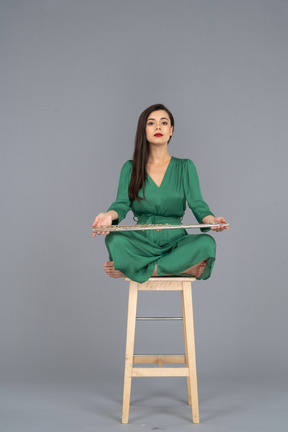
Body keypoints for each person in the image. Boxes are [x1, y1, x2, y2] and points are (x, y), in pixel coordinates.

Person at [92, 103, 228, 283]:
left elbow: (199, 206)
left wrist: (213, 221)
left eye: (164, 123)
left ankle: (133, 269)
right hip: (141, 242)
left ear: (171, 130)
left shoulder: (185, 167)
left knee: (207, 243)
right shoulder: (130, 168)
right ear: (144, 130)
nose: (158, 127)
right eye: (151, 123)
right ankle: (182, 268)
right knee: (114, 239)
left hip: (175, 243)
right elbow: (121, 204)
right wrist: (108, 216)